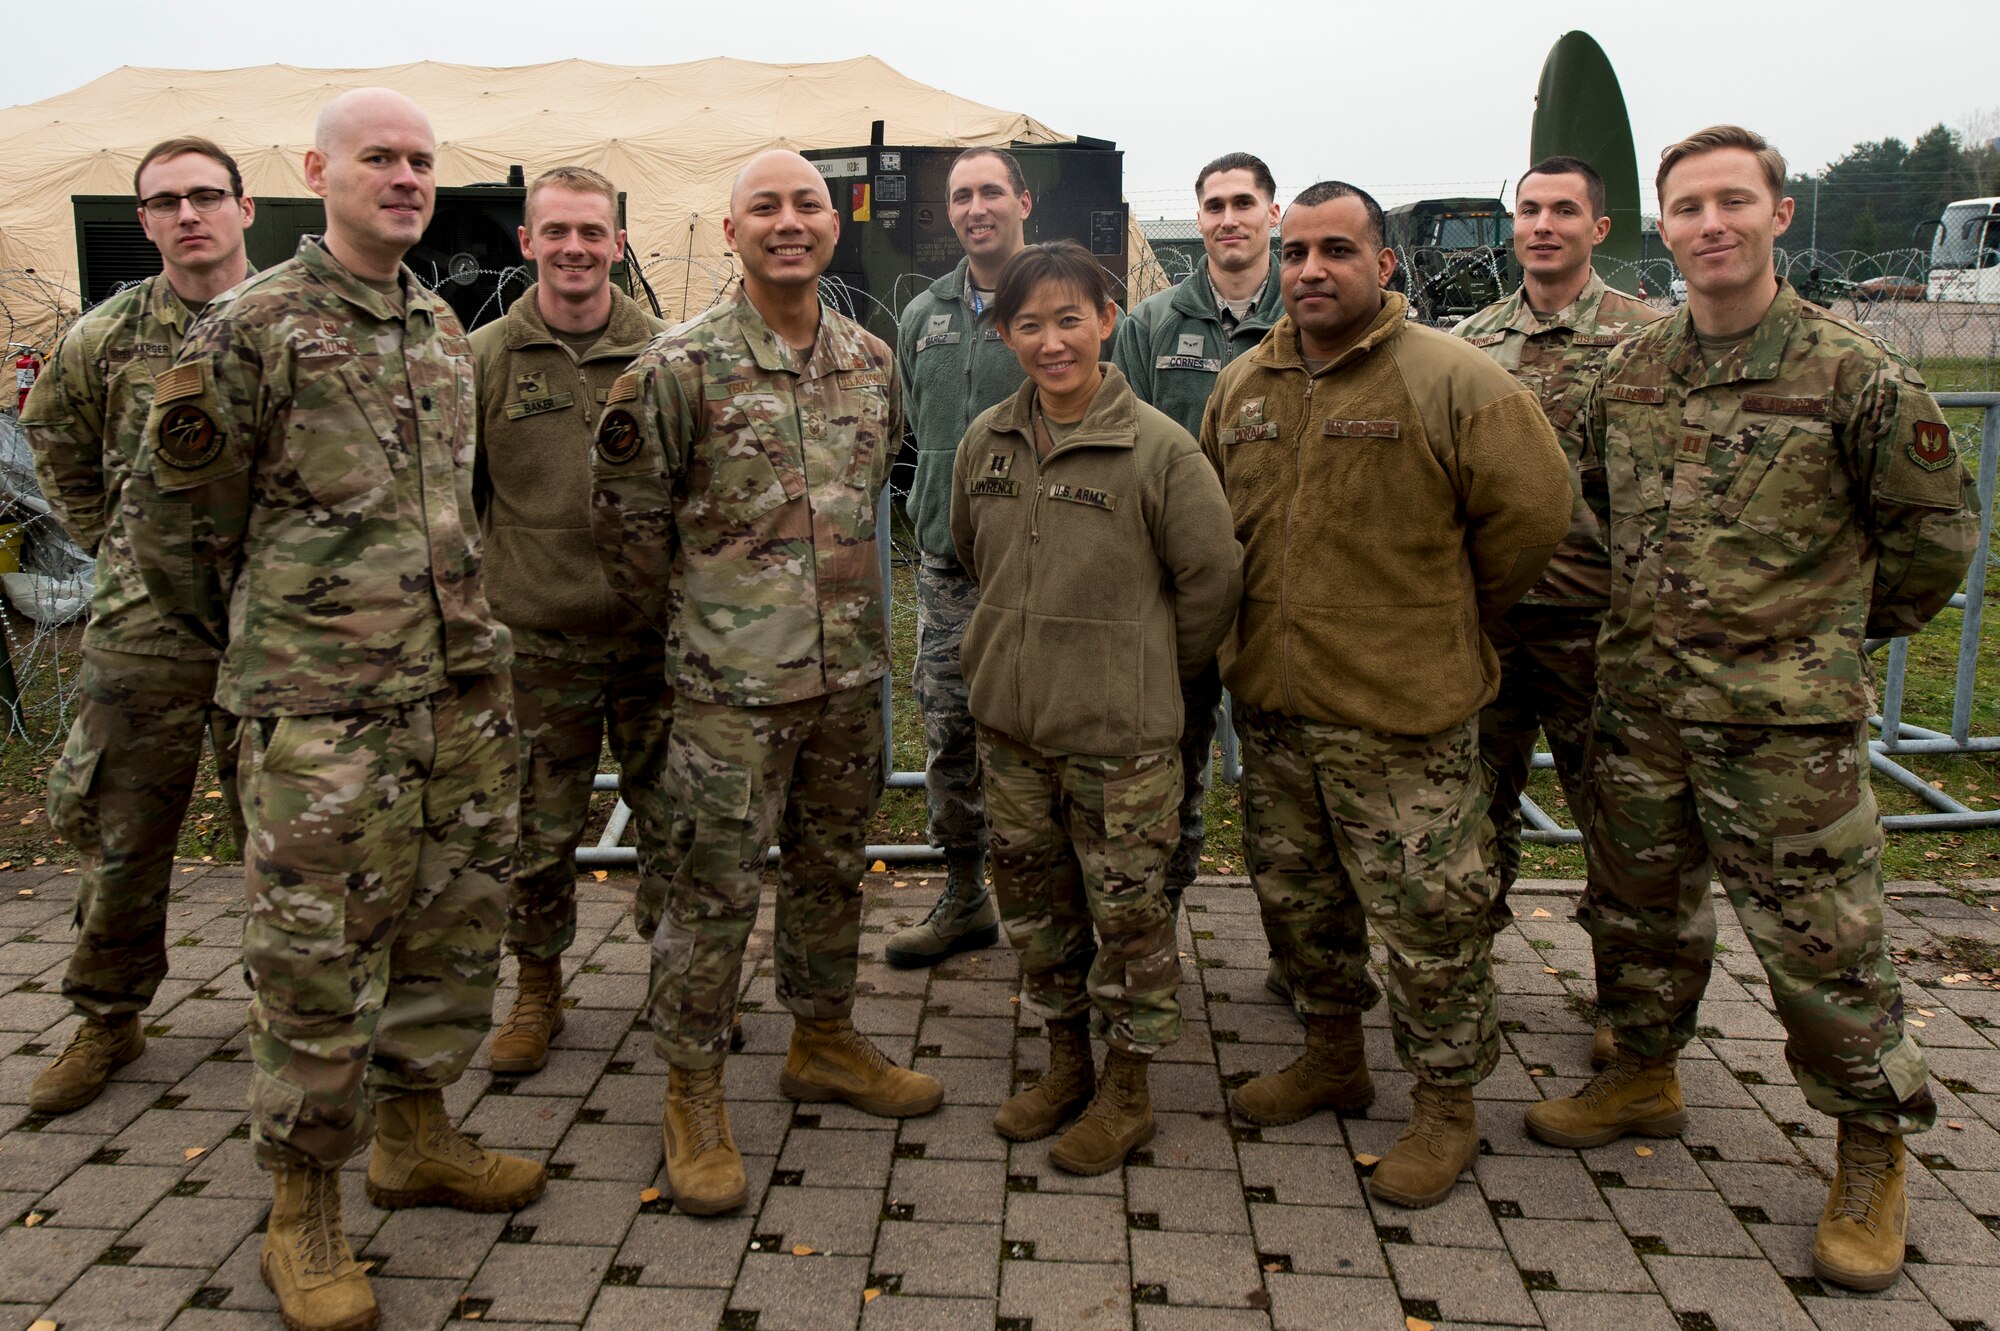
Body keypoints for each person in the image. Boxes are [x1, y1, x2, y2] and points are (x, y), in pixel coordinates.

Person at [1524, 126, 1978, 1294]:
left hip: (1782, 733)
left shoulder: (1853, 375)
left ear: (1778, 216)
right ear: (1660, 229)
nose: (1709, 224)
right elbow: (1575, 503)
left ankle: (1868, 1151)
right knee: (1633, 911)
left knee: (1822, 948)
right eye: (1687, 207)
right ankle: (1639, 1070)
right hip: (1638, 708)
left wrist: (1822, 634)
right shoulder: (1630, 372)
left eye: (1733, 201)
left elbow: (1931, 540)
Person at [129, 89, 541, 1331]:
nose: (406, 178)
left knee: (451, 931)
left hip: (453, 694)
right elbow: (175, 528)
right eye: (380, 158)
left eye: (420, 161)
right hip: (321, 711)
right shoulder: (253, 327)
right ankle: (300, 1204)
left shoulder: (431, 320)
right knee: (314, 964)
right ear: (317, 171)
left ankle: (413, 1135)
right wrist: (277, 650)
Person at [1206, 181, 1571, 1209]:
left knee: (1428, 920)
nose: (1309, 270)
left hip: (1402, 719)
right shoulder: (1243, 382)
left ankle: (1444, 1105)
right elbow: (1214, 516)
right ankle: (1332, 1054)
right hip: (1274, 712)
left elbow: (1533, 514)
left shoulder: (1452, 379)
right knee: (1300, 902)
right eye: (1293, 252)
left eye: (1335, 249)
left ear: (1384, 265)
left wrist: (1441, 613)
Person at [592, 149, 941, 1219]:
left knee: (835, 867)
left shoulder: (870, 359)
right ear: (731, 227)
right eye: (765, 208)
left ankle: (823, 1036)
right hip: (727, 693)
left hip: (845, 681)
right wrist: (706, 633)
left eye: (806, 205)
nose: (788, 222)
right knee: (710, 895)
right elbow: (626, 530)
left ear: (831, 224)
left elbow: (875, 496)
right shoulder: (673, 369)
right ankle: (691, 1089)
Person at [955, 240, 1239, 1172]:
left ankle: (1128, 1090)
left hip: (1121, 744)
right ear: (1004, 333)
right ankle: (1065, 1063)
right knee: (1037, 912)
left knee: (1128, 920)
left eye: (1070, 318)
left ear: (1107, 321)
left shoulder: (1159, 448)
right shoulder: (984, 443)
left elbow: (1210, 581)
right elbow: (971, 557)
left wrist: (1150, 671)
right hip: (1013, 736)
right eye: (1029, 324)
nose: (1052, 341)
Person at [19, 137, 254, 1116]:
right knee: (123, 829)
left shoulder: (293, 323)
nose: (189, 213)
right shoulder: (104, 338)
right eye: (167, 201)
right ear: (146, 220)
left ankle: (296, 1014)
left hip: (275, 620)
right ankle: (107, 1015)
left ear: (245, 208)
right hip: (146, 626)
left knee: (292, 839)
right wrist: (113, 542)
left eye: (207, 195)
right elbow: (55, 439)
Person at [1453, 155, 1664, 1067]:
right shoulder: (1467, 343)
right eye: (1529, 210)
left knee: (1621, 827)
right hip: (1491, 623)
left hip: (1597, 629)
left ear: (1599, 228)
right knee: (1469, 816)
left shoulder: (1647, 339)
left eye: (1563, 211)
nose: (1543, 225)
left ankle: (1629, 1004)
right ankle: (1461, 987)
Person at [471, 166, 669, 1074]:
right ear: (528, 243)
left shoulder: (667, 355)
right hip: (536, 646)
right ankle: (538, 989)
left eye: (593, 231)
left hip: (653, 643)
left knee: (676, 822)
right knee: (534, 830)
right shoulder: (485, 362)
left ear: (618, 242)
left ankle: (680, 984)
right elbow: (462, 500)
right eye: (557, 232)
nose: (576, 248)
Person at [1112, 151, 1283, 923]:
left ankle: (1296, 947)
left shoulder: (1306, 312)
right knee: (1170, 761)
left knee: (1286, 777)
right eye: (1212, 205)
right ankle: (1161, 925)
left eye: (1243, 202)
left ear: (1272, 213)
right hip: (1176, 587)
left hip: (1281, 582)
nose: (1228, 218)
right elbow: (1125, 450)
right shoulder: (1153, 324)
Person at [886, 147, 1034, 967]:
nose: (976, 207)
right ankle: (965, 893)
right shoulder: (925, 315)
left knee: (1044, 742)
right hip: (948, 571)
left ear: (1022, 200)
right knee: (949, 735)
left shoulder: (1057, 299)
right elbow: (911, 429)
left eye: (990, 191)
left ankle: (1053, 904)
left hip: (1039, 570)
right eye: (961, 196)